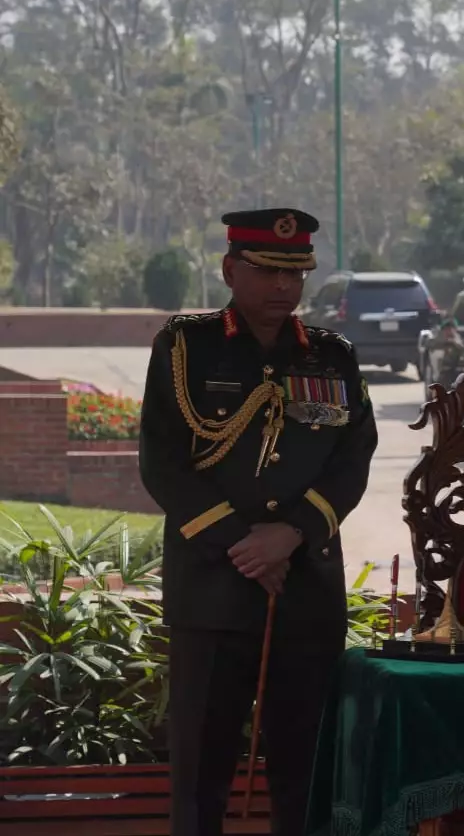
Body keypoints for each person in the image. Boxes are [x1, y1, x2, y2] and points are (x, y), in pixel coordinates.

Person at [140, 208, 379, 836]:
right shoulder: (185, 345)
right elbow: (163, 462)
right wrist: (243, 547)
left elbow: (354, 457)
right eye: (267, 271)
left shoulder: (332, 356)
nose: (283, 287)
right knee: (201, 776)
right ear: (229, 269)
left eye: (295, 273)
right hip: (213, 593)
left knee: (307, 770)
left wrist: (292, 532)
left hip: (305, 592)